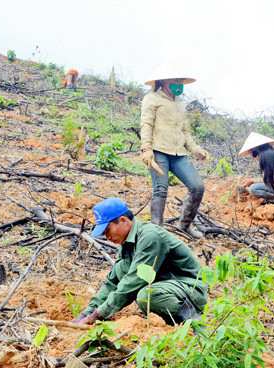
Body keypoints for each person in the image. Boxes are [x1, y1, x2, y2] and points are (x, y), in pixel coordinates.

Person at [73, 197, 207, 326]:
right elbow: (112, 283)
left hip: (190, 289)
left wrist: (99, 314)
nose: (107, 237)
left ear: (123, 221)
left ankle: (192, 320)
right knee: (122, 269)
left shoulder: (150, 236)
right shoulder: (127, 245)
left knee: (145, 296)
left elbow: (134, 280)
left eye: (108, 231)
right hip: (168, 288)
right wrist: (86, 314)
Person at [140, 59, 210, 238]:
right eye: (176, 81)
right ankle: (157, 230)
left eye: (181, 81)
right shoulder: (152, 99)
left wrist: (196, 150)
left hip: (179, 154)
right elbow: (146, 124)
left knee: (197, 187)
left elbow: (184, 131)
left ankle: (184, 225)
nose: (179, 85)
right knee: (161, 189)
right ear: (163, 81)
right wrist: (146, 149)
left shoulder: (180, 103)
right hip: (158, 151)